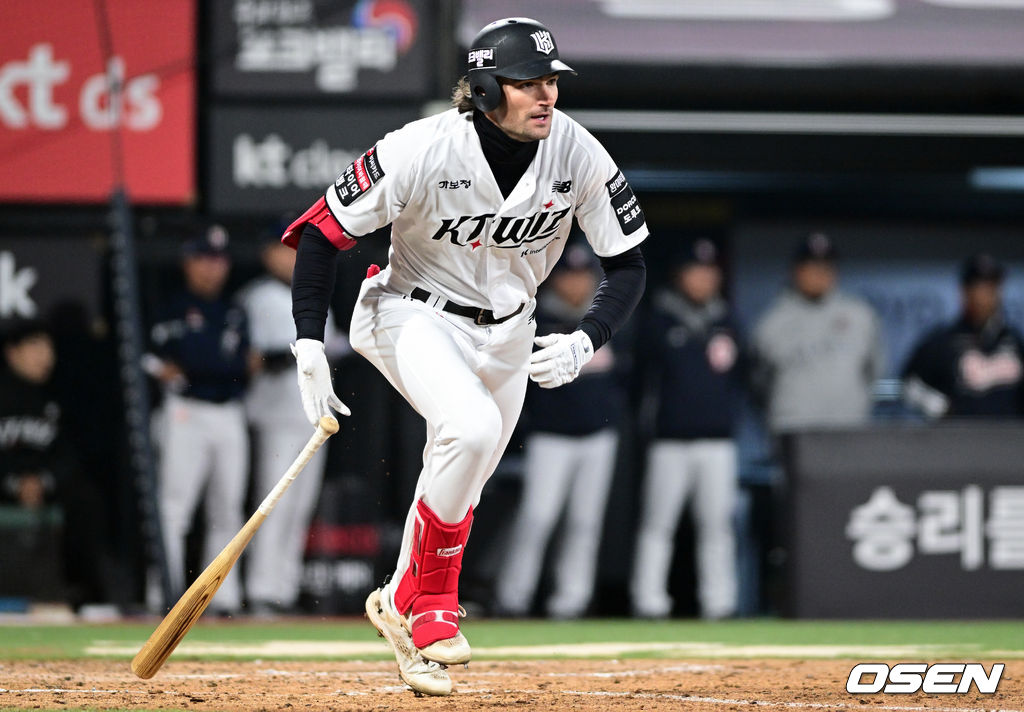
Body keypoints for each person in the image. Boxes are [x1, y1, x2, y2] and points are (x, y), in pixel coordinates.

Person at [281, 17, 648, 696]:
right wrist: (308, 341)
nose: (546, 95)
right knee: (470, 429)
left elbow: (628, 264)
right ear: (484, 89)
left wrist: (585, 337)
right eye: (527, 82)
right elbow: (320, 233)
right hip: (411, 311)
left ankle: (400, 600)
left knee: (463, 476)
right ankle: (431, 602)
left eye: (551, 81)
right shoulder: (421, 147)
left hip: (510, 329)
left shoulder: (577, 151)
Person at [492, 243, 625, 620]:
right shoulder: (538, 318)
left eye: (583, 275)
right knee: (538, 517)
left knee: (585, 522)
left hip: (598, 436)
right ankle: (513, 598)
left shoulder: (603, 321)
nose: (576, 283)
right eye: (569, 275)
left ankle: (572, 600)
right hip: (550, 435)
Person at [630, 239, 743, 620]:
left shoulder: (728, 321)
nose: (703, 279)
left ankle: (720, 602)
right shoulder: (658, 320)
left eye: (710, 272)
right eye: (696, 271)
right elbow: (639, 384)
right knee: (657, 524)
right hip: (669, 441)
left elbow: (742, 380)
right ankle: (648, 601)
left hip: (718, 441)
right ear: (680, 276)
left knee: (718, 526)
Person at [239, 232, 347, 616]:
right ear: (268, 253)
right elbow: (251, 356)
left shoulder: (316, 298)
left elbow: (336, 346)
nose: (293, 258)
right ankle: (261, 591)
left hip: (314, 418)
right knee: (273, 503)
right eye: (286, 250)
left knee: (300, 507)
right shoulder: (257, 297)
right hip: (273, 415)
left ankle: (282, 591)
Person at [146, 224, 251, 616]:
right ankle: (165, 593)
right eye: (204, 259)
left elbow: (243, 365)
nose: (212, 268)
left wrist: (204, 366)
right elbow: (154, 359)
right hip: (185, 410)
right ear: (188, 262)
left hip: (229, 411)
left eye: (219, 260)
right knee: (175, 508)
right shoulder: (171, 307)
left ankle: (221, 597)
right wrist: (182, 368)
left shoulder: (234, 310)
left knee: (228, 508)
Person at [751, 233, 884, 433]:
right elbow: (758, 385)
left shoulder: (860, 316)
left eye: (826, 266)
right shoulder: (772, 322)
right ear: (796, 270)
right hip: (793, 432)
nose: (820, 273)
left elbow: (875, 372)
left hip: (849, 430)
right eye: (812, 266)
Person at [902, 252, 1024, 418]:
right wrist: (937, 406)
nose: (985, 296)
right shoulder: (943, 342)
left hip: (1009, 432)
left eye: (991, 287)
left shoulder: (1014, 340)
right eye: (979, 288)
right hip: (961, 433)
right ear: (965, 292)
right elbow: (909, 383)